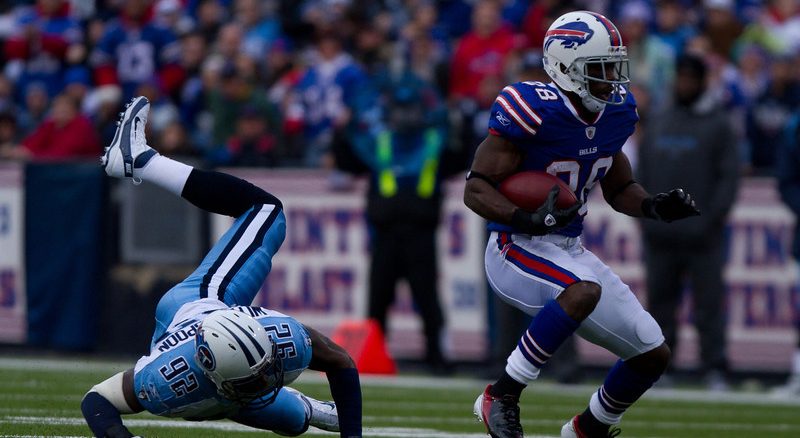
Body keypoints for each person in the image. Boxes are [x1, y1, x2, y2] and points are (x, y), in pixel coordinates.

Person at [465, 11, 700, 438]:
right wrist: (524, 217)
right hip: (514, 245)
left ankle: (590, 427)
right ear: (565, 67)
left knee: (651, 352)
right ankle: (501, 395)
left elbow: (619, 185)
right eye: (601, 68)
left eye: (614, 66)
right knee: (582, 290)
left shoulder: (615, 114)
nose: (612, 77)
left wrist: (653, 207)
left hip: (567, 249)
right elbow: (476, 189)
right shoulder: (533, 109)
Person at [80, 96, 362, 438]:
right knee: (294, 421)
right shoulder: (168, 378)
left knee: (265, 210)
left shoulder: (279, 337)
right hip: (202, 363)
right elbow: (97, 399)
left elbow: (340, 360)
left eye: (264, 369)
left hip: (202, 312)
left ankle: (141, 160)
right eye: (256, 376)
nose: (264, 380)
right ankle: (139, 160)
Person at [638, 54, 740, 391]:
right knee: (660, 305)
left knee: (709, 305)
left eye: (690, 79)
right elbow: (642, 174)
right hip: (661, 234)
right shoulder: (659, 119)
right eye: (680, 78)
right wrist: (647, 216)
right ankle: (659, 368)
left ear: (702, 81)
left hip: (703, 236)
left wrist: (710, 220)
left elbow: (729, 178)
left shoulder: (719, 123)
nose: (684, 84)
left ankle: (715, 367)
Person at [349, 68, 452, 374]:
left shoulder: (435, 140)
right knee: (378, 297)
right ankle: (373, 356)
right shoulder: (381, 142)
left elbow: (460, 150)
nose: (406, 115)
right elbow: (349, 153)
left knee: (427, 298)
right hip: (386, 233)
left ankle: (437, 357)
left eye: (411, 108)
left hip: (420, 233)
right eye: (400, 108)